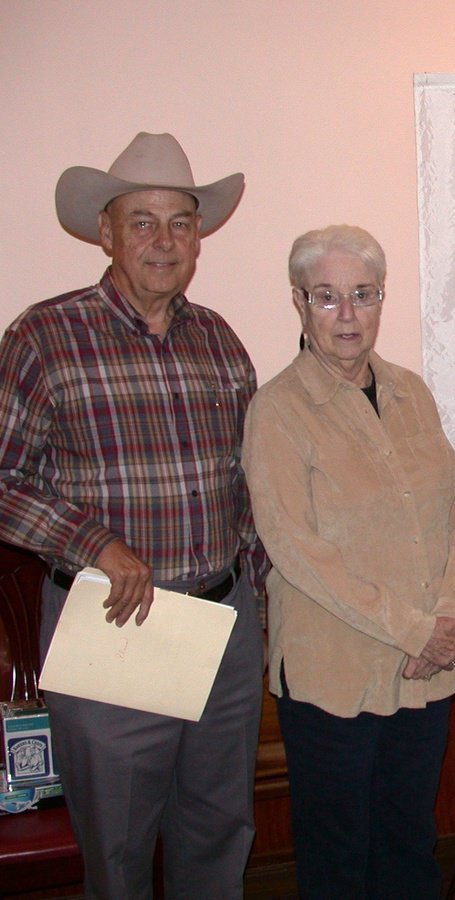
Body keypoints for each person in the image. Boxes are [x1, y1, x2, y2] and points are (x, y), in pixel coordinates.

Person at [0, 132, 267, 898]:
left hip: (222, 625)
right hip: (115, 626)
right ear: (106, 232)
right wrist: (94, 542)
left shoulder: (218, 341)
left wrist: (260, 606)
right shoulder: (44, 337)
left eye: (180, 222)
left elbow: (248, 485)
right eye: (142, 221)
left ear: (199, 237)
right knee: (117, 852)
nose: (164, 240)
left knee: (218, 834)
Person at [242, 224, 455, 899]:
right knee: (339, 864)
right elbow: (296, 548)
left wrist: (446, 617)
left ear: (382, 298)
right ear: (299, 302)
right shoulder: (278, 411)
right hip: (334, 674)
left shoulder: (412, 393)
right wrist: (416, 630)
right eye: (327, 296)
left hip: (424, 671)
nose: (347, 315)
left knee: (410, 847)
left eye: (363, 294)